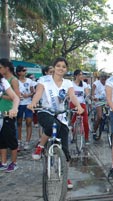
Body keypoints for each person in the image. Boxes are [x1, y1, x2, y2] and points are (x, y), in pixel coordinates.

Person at [28, 57, 84, 189]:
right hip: (45, 112)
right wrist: (33, 102)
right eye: (58, 66)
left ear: (66, 69)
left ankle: (65, 176)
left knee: (65, 150)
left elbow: (72, 96)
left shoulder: (68, 83)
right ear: (53, 67)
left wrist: (79, 106)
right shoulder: (44, 80)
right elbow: (38, 93)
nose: (61, 68)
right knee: (54, 125)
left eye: (64, 67)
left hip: (61, 115)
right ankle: (41, 146)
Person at [0, 58, 20, 172]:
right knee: (1, 140)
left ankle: (13, 162)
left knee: (10, 139)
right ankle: (3, 162)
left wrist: (14, 108)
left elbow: (16, 97)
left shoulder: (7, 81)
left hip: (7, 113)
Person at [16, 65, 35, 150]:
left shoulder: (30, 81)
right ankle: (19, 141)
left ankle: (27, 142)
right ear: (19, 72)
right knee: (19, 123)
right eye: (23, 70)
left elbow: (33, 91)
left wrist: (29, 95)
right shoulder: (15, 81)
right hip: (19, 104)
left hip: (28, 104)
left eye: (25, 70)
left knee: (28, 122)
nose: (25, 72)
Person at [70, 70, 90, 144]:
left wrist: (88, 96)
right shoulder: (71, 84)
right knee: (73, 120)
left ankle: (86, 137)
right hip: (73, 104)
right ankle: (73, 135)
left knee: (85, 121)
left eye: (82, 74)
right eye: (79, 75)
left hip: (82, 104)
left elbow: (87, 93)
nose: (81, 76)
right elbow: (69, 94)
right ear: (75, 76)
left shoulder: (84, 84)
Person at [91, 72, 108, 140]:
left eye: (105, 79)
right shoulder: (96, 83)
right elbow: (92, 92)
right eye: (102, 79)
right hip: (98, 101)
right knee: (99, 116)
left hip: (106, 101)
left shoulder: (108, 84)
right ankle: (94, 131)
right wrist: (93, 97)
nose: (103, 80)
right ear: (100, 78)